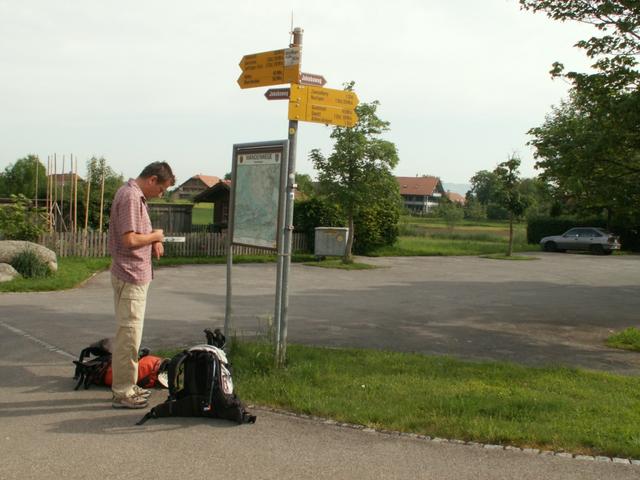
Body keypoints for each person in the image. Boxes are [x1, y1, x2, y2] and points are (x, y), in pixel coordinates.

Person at [108, 162, 175, 409]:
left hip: (133, 275)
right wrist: (156, 236)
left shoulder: (134, 195)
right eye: (162, 189)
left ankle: (128, 385)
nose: (161, 194)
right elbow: (129, 239)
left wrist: (153, 241)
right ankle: (123, 392)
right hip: (130, 276)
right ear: (152, 179)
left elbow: (137, 233)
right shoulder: (130, 197)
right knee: (128, 337)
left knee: (130, 335)